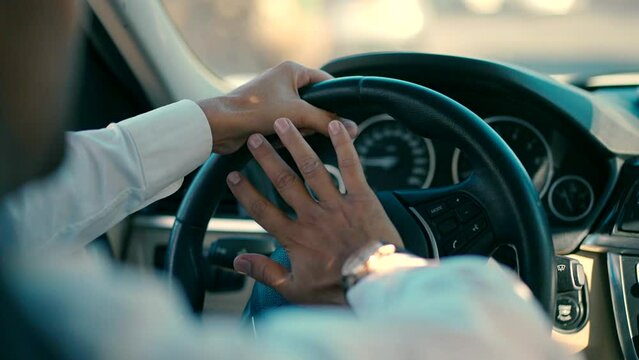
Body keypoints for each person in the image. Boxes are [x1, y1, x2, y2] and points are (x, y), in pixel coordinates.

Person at [0, 1, 576, 359]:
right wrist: (366, 260)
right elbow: (504, 341)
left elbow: (22, 212)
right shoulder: (59, 323)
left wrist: (216, 117)